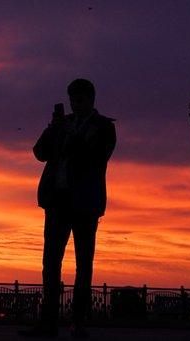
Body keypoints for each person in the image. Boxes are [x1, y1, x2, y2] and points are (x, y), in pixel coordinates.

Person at [22, 79, 116, 339]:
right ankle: (49, 322)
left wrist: (70, 135)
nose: (76, 105)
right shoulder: (61, 127)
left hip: (85, 205)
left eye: (81, 100)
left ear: (91, 100)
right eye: (74, 100)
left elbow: (95, 157)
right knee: (50, 263)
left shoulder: (104, 127)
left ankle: (77, 322)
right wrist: (53, 128)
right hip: (57, 203)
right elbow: (40, 152)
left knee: (83, 264)